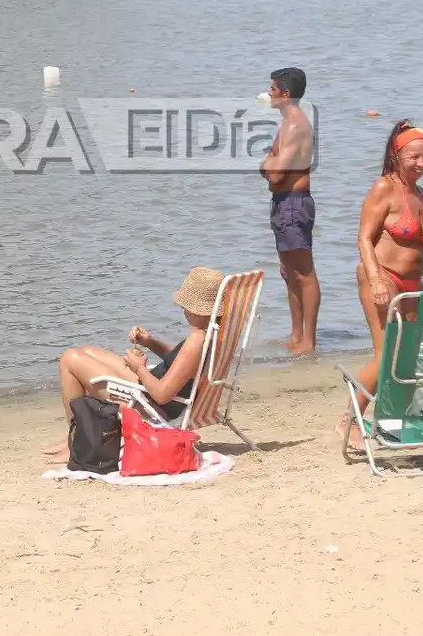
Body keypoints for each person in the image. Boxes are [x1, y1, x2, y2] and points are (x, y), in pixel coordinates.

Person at [342, 121, 423, 442]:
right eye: (414, 157)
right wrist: (376, 280)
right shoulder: (384, 188)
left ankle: (394, 417)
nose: (421, 163)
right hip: (382, 277)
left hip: (413, 284)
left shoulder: (419, 193)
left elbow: (419, 240)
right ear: (396, 155)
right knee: (386, 355)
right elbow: (364, 239)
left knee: (407, 357)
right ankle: (350, 419)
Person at [43, 267, 223, 463]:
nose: (183, 308)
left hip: (150, 405)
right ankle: (78, 433)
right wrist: (150, 342)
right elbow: (183, 363)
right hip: (154, 391)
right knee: (88, 351)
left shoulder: (198, 339)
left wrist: (139, 367)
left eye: (187, 305)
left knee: (70, 359)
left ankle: (79, 441)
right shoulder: (213, 333)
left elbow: (162, 395)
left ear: (201, 309)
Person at [261, 66, 320, 354]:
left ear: (285, 94)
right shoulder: (287, 125)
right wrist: (270, 161)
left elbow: (276, 174)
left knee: (304, 273)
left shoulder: (295, 126)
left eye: (273, 89)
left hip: (294, 205)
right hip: (283, 204)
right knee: (288, 272)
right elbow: (275, 169)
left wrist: (266, 162)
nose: (269, 93)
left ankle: (308, 340)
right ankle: (296, 335)